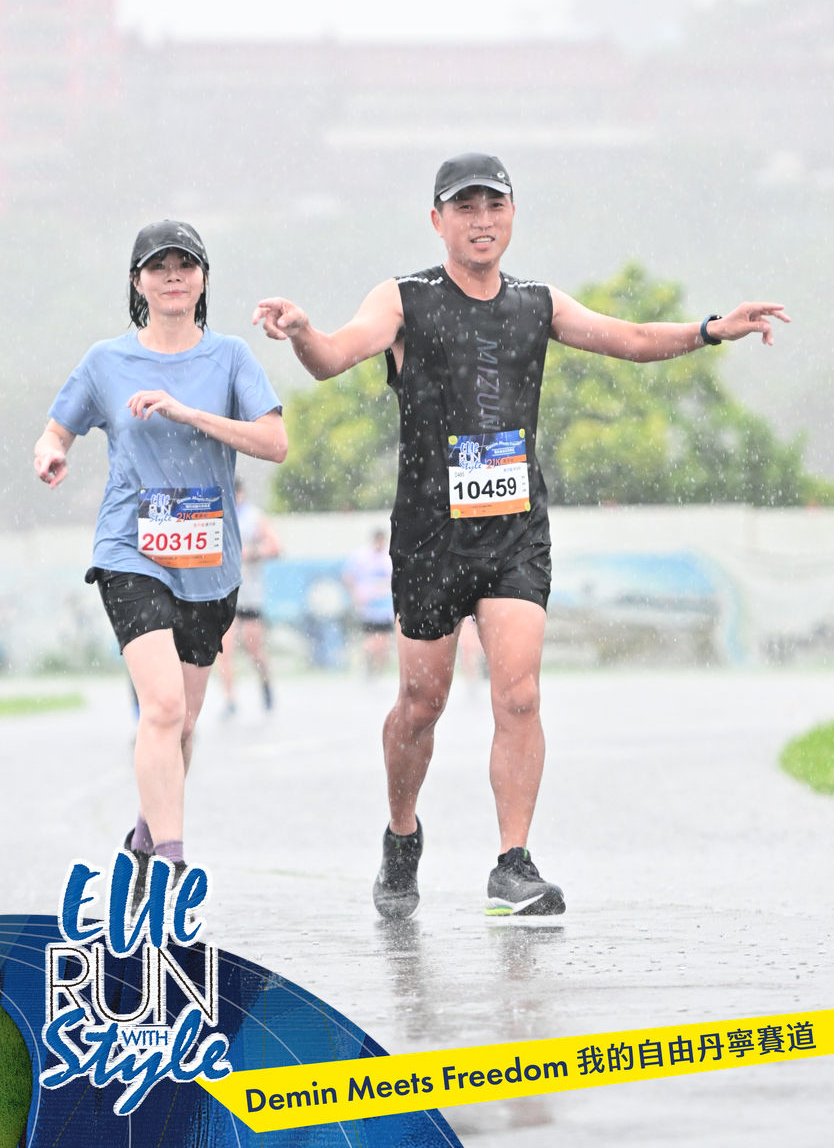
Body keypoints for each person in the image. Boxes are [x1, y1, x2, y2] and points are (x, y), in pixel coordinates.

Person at [253, 152, 788, 920]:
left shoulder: (536, 303)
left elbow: (629, 337)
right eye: (464, 208)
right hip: (430, 537)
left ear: (511, 215)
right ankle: (401, 834)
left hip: (514, 532)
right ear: (436, 220)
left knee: (520, 693)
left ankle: (512, 863)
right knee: (420, 704)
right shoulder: (404, 298)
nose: (481, 221)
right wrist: (304, 331)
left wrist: (709, 330)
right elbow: (333, 358)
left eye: (493, 206)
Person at [34, 220, 286, 891]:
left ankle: (144, 840)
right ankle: (171, 865)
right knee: (164, 707)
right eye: (157, 266)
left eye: (185, 264)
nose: (172, 276)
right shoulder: (106, 361)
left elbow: (274, 443)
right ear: (136, 282)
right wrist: (51, 451)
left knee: (184, 724)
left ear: (203, 279)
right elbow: (57, 429)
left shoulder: (230, 358)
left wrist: (187, 413)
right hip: (131, 549)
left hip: (208, 561)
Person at [218, 476, 281, 715]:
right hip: (223, 592)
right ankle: (230, 700)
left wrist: (250, 552)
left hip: (250, 593)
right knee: (224, 649)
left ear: (240, 493)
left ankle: (265, 682)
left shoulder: (254, 517)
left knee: (253, 647)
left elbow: (276, 546)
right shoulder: (214, 514)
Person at [343, 529, 395, 675]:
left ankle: (377, 673)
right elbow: (347, 576)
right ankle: (365, 666)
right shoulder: (361, 557)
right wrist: (355, 594)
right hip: (368, 607)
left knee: (384, 643)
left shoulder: (388, 557)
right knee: (371, 641)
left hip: (385, 607)